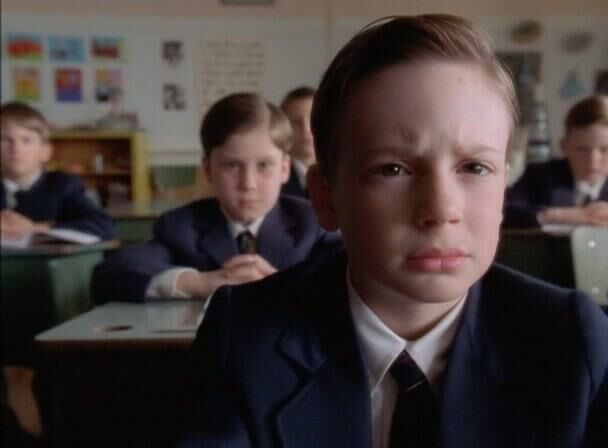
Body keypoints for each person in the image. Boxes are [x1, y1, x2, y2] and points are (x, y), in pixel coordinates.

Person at [176, 15, 608, 447]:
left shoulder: (571, 341)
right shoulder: (244, 336)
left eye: (475, 167)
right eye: (392, 169)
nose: (441, 210)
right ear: (325, 197)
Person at [91, 92, 341, 303]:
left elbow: (350, 274)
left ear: (285, 168)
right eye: (232, 165)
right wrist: (198, 282)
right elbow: (112, 273)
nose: (248, 184)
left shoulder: (313, 222)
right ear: (208, 169)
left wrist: (285, 285)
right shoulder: (181, 226)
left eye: (264, 165)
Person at [0, 101, 114, 241]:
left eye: (26, 140)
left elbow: (103, 226)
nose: (16, 148)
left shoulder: (64, 186)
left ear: (45, 151)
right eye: (5, 139)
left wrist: (35, 228)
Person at [503, 95, 608, 228]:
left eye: (605, 149)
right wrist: (557, 215)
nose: (593, 160)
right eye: (582, 149)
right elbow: (502, 209)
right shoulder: (540, 177)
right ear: (564, 146)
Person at [280, 86, 316, 197]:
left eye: (313, 119)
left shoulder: (343, 174)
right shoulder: (275, 179)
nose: (306, 129)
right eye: (296, 121)